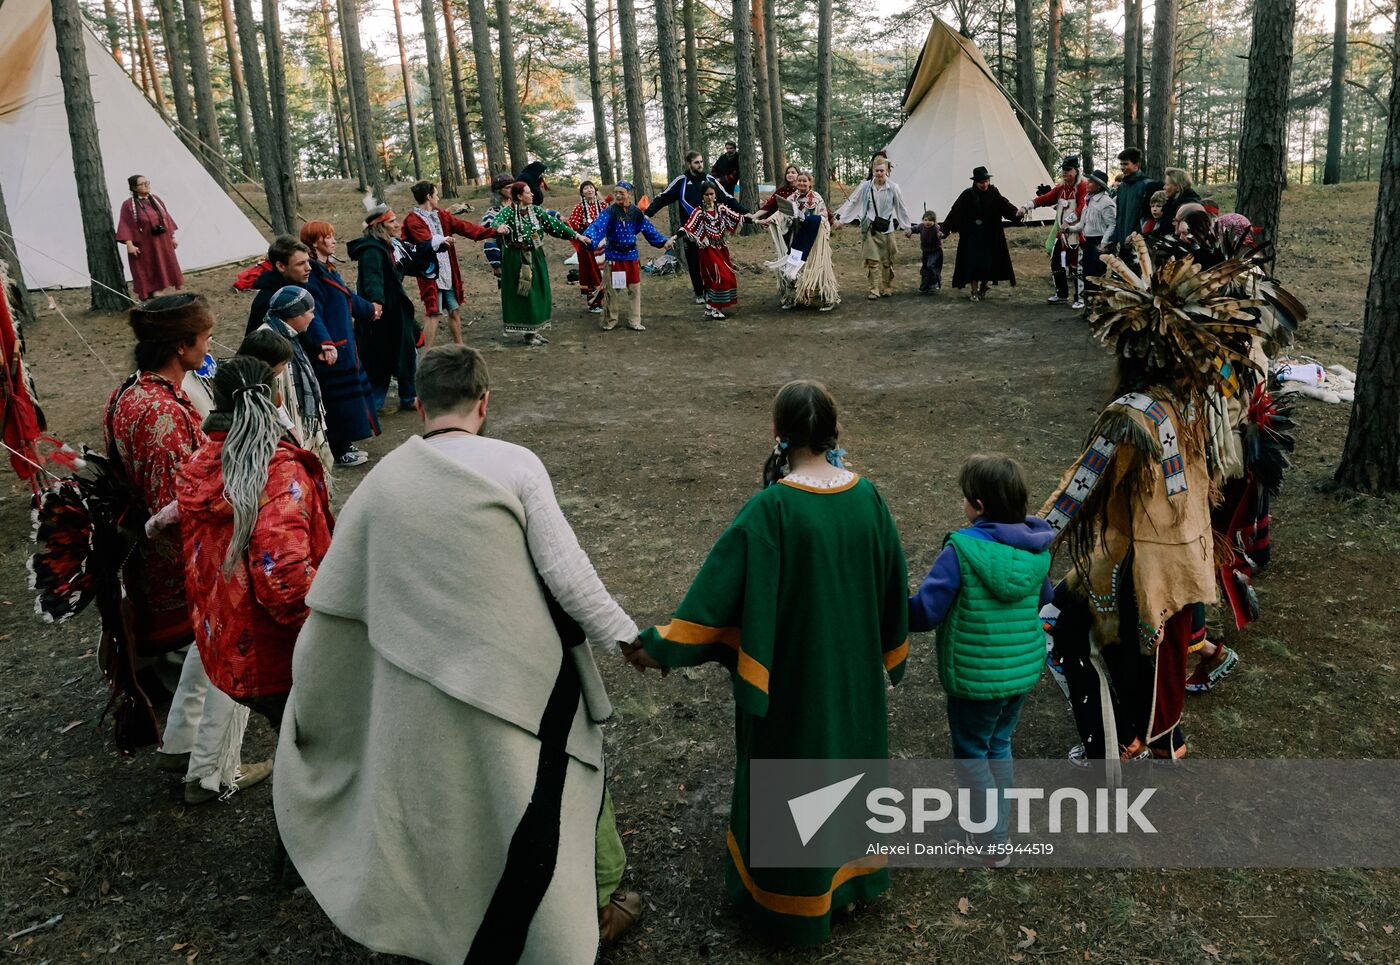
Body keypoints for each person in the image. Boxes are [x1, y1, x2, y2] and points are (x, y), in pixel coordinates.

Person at [274, 345, 643, 963]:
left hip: (418, 687)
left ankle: (440, 924)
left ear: (419, 406)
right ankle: (596, 904)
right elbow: (569, 575)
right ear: (484, 402)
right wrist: (630, 640)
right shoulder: (515, 465)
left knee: (451, 809)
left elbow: (339, 600)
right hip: (518, 679)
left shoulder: (381, 483)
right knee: (558, 782)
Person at [627, 380, 908, 947]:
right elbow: (892, 590)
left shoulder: (772, 509)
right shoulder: (869, 499)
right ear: (834, 432)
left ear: (778, 433)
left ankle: (793, 900)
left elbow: (718, 597)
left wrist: (659, 645)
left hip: (795, 685)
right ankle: (850, 882)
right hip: (852, 680)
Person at [1042, 236, 1305, 764]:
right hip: (1184, 556)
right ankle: (1159, 741)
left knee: (1069, 633)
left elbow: (1077, 491)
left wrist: (1021, 538)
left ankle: (1114, 745)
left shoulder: (1131, 415)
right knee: (1148, 660)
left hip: (1137, 563)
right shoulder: (1191, 400)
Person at [106, 294, 266, 803]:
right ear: (181, 345)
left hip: (171, 556)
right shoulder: (161, 413)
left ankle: (180, 745)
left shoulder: (131, 394)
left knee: (204, 655)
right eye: (205, 337)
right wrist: (228, 554)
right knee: (224, 652)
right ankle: (213, 774)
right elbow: (179, 504)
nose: (210, 345)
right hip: (186, 560)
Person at [177, 353, 332, 744]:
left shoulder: (201, 462)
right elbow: (284, 578)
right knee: (317, 750)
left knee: (293, 738)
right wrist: (336, 629)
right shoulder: (276, 471)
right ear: (275, 399)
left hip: (227, 646)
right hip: (277, 655)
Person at [908, 455, 1053, 865]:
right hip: (1019, 673)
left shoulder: (962, 550)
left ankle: (992, 841)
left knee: (973, 753)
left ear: (979, 505)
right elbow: (1044, 598)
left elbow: (925, 614)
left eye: (966, 498)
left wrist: (889, 604)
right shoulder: (1035, 549)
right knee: (998, 745)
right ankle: (987, 826)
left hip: (976, 678)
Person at [298, 222, 381, 465]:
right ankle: (339, 449)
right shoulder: (313, 274)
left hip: (344, 343)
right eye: (327, 237)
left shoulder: (328, 268)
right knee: (337, 401)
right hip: (332, 346)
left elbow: (346, 297)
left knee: (349, 398)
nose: (333, 241)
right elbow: (314, 312)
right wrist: (325, 342)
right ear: (315, 243)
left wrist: (370, 310)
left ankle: (346, 443)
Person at [346, 204, 440, 411]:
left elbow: (414, 255)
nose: (397, 224)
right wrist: (376, 304)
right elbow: (372, 279)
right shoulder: (371, 251)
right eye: (392, 221)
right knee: (380, 357)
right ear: (379, 226)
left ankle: (409, 396)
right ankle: (373, 403)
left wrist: (437, 245)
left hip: (396, 311)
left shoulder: (390, 246)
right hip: (382, 315)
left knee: (407, 352)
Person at [402, 180, 495, 349]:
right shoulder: (413, 220)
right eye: (436, 194)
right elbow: (425, 242)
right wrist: (442, 242)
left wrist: (493, 231)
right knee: (433, 313)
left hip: (447, 272)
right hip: (430, 274)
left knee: (454, 310)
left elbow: (465, 227)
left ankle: (460, 349)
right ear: (429, 197)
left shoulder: (442, 216)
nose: (438, 198)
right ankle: (426, 355)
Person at [646, 152, 748, 305]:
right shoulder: (681, 181)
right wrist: (648, 214)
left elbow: (727, 198)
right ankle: (699, 292)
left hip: (711, 233)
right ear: (689, 164)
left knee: (712, 263)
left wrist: (746, 213)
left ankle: (712, 291)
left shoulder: (709, 180)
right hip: (691, 232)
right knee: (694, 263)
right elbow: (663, 198)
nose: (700, 165)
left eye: (701, 162)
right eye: (696, 162)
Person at [490, 181, 582, 346]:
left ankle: (533, 329)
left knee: (539, 291)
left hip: (536, 255)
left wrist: (576, 236)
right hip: (516, 259)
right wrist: (500, 227)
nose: (532, 194)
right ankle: (528, 333)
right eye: (528, 192)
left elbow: (555, 226)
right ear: (519, 196)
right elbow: (496, 222)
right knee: (524, 293)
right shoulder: (508, 212)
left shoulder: (536, 211)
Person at [252, 286, 333, 468]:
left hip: (297, 418)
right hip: (286, 422)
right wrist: (288, 426)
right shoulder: (268, 342)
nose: (313, 317)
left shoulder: (290, 335)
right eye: (310, 312)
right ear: (294, 314)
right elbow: (267, 391)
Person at [583, 181, 673, 332]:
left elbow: (649, 229)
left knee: (634, 290)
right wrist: (589, 238)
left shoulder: (636, 212)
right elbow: (597, 226)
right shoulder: (609, 212)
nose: (618, 195)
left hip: (631, 257)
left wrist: (663, 242)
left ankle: (634, 320)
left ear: (629, 194)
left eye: (621, 193)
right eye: (616, 192)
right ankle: (610, 320)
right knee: (612, 291)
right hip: (614, 257)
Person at [752, 171, 839, 311]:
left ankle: (827, 298)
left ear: (810, 183)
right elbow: (781, 212)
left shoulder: (816, 198)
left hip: (814, 240)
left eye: (805, 181)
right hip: (796, 237)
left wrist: (811, 220)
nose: (802, 183)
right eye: (800, 181)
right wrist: (770, 219)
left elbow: (824, 217)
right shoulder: (792, 197)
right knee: (792, 264)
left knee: (818, 267)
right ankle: (791, 297)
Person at [940, 166, 1023, 302]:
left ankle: (983, 287)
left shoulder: (993, 192)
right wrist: (944, 229)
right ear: (975, 182)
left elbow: (1004, 205)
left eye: (986, 181)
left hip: (990, 235)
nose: (984, 184)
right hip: (973, 236)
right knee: (974, 263)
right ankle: (974, 291)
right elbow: (955, 212)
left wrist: (1016, 213)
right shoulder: (967, 194)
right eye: (981, 182)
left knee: (988, 264)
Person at [836, 157, 912, 299]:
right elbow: (854, 203)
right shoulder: (865, 187)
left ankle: (887, 286)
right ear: (872, 171)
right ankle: (874, 289)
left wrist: (907, 227)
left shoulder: (893, 188)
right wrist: (842, 220)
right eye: (876, 170)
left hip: (887, 229)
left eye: (881, 170)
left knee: (887, 261)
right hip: (870, 228)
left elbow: (901, 207)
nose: (879, 173)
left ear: (887, 171)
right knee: (872, 261)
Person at [1027, 155, 1089, 307]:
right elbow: (1048, 198)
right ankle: (1061, 294)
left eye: (1069, 170)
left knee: (1076, 266)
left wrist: (1069, 221)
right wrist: (1029, 205)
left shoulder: (1083, 186)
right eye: (1064, 170)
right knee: (1057, 263)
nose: (1065, 173)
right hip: (1062, 236)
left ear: (1076, 171)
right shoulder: (1061, 188)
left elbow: (1083, 208)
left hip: (1076, 234)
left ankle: (1080, 298)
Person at [116, 175, 183, 300]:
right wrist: (129, 245)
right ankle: (152, 294)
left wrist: (172, 236)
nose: (146, 185)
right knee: (148, 267)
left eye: (147, 182)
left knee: (162, 263)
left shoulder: (156, 200)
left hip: (161, 241)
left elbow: (166, 218)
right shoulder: (128, 205)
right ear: (134, 188)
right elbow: (125, 224)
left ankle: (159, 291)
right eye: (142, 184)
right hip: (145, 244)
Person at [681, 184, 742, 319]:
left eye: (712, 194)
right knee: (719, 277)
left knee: (728, 275)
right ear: (702, 196)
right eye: (706, 194)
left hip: (722, 249)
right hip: (707, 250)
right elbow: (687, 227)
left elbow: (737, 217)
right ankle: (715, 308)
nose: (709, 197)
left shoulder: (721, 209)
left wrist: (757, 219)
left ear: (715, 195)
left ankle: (710, 306)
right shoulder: (699, 212)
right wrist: (674, 237)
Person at [1103, 147, 1158, 256]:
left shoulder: (1147, 185)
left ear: (1136, 164)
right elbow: (1119, 216)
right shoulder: (1122, 188)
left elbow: (1149, 217)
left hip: (1140, 245)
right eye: (1121, 164)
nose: (1122, 167)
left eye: (1126, 164)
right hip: (1123, 243)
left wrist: (1138, 236)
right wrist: (1114, 239)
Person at [566, 181, 608, 314]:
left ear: (595, 190)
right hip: (587, 246)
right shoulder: (579, 208)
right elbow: (572, 225)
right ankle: (594, 303)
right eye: (585, 188)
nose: (589, 190)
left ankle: (608, 301)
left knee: (606, 272)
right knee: (592, 274)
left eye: (591, 187)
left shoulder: (603, 206)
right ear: (582, 193)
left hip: (604, 245)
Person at [1079, 170, 1117, 293]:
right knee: (1087, 274)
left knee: (1096, 276)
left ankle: (1097, 301)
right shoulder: (1089, 200)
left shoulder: (1106, 202)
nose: (1087, 184)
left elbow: (1112, 224)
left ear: (1098, 185)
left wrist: (1104, 242)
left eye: (1091, 182)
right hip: (1089, 243)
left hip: (1099, 244)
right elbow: (1083, 223)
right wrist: (1069, 228)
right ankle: (1088, 301)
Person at [481, 173, 514, 281]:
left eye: (513, 186)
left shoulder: (520, 205)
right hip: (506, 253)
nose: (512, 189)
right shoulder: (493, 212)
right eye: (508, 187)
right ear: (499, 191)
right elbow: (489, 234)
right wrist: (496, 264)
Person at [910, 210, 944, 294]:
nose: (927, 222)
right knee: (925, 269)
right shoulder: (921, 226)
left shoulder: (936, 228)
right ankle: (924, 287)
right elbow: (915, 229)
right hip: (925, 251)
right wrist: (910, 231)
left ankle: (934, 284)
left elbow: (941, 233)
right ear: (923, 220)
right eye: (926, 220)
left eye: (930, 220)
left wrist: (941, 235)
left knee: (931, 267)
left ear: (934, 221)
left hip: (935, 251)